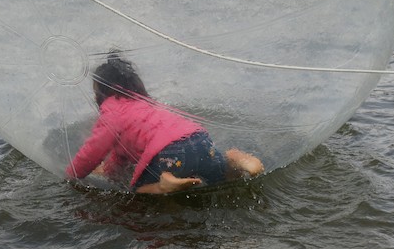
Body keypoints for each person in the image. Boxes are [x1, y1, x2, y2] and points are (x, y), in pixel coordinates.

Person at [65, 52, 264, 194]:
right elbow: (120, 157)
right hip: (201, 141)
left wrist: (71, 175)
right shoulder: (147, 105)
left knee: (138, 190)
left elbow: (92, 151)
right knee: (224, 178)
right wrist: (109, 171)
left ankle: (165, 184)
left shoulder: (111, 114)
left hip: (171, 155)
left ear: (101, 92)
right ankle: (238, 160)